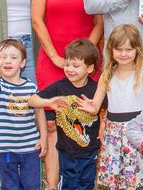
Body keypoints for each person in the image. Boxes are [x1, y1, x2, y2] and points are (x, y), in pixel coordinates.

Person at [32, 0, 103, 190]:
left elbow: (99, 22)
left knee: (85, 122)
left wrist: (86, 56)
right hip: (52, 62)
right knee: (52, 126)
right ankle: (53, 184)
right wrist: (55, 57)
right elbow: (37, 20)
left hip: (85, 64)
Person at [77, 24, 143, 190]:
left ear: (137, 50)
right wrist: (89, 106)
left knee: (137, 179)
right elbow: (96, 106)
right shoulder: (107, 75)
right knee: (116, 180)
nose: (123, 54)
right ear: (111, 50)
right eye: (119, 49)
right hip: (114, 135)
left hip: (137, 133)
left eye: (128, 49)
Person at [29, 39, 102, 190]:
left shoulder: (96, 89)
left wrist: (104, 124)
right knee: (68, 184)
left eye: (76, 66)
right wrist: (49, 102)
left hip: (90, 150)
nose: (69, 69)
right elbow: (32, 100)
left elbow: (108, 108)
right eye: (67, 64)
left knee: (87, 184)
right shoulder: (60, 87)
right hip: (66, 152)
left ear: (89, 68)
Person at [0, 39, 48, 190]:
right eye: (3, 57)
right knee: (10, 186)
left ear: (22, 63)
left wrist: (43, 138)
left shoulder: (30, 87)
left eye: (13, 57)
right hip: (5, 149)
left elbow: (39, 112)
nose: (7, 61)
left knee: (32, 185)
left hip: (30, 147)